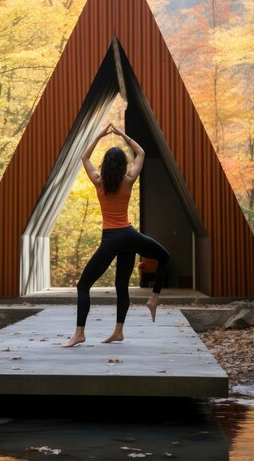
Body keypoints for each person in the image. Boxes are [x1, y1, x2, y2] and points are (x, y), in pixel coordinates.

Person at [61, 122, 171, 348]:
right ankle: (151, 301)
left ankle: (79, 334)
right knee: (154, 264)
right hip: (129, 237)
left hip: (112, 239)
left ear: (105, 166)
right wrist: (122, 134)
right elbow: (141, 152)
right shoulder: (129, 180)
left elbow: (84, 157)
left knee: (83, 286)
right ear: (122, 166)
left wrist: (101, 134)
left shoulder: (99, 183)